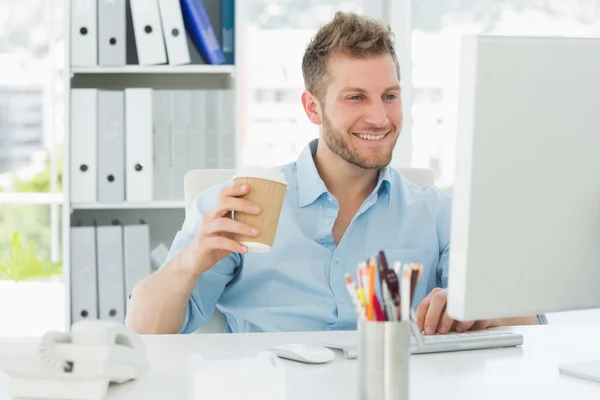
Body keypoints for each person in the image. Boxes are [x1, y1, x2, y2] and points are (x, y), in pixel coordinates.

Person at [125, 11, 544, 335]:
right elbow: (145, 331)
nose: (379, 117)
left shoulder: (439, 215)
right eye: (356, 97)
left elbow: (530, 324)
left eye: (390, 96)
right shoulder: (238, 206)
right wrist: (190, 262)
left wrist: (479, 311)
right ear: (313, 108)